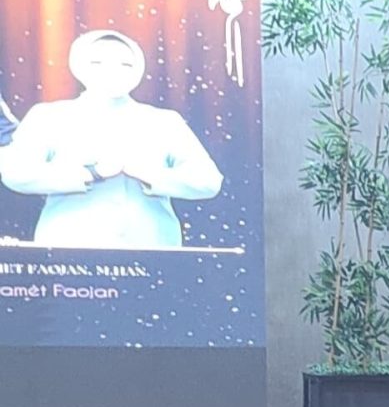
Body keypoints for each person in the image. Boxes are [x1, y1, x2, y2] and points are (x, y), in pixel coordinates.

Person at [0, 30, 222, 249]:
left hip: (152, 251)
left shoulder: (165, 122)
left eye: (125, 64)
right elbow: (15, 173)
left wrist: (149, 174)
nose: (112, 71)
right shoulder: (49, 117)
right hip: (69, 250)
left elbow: (208, 182)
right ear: (79, 66)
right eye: (97, 63)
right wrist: (90, 173)